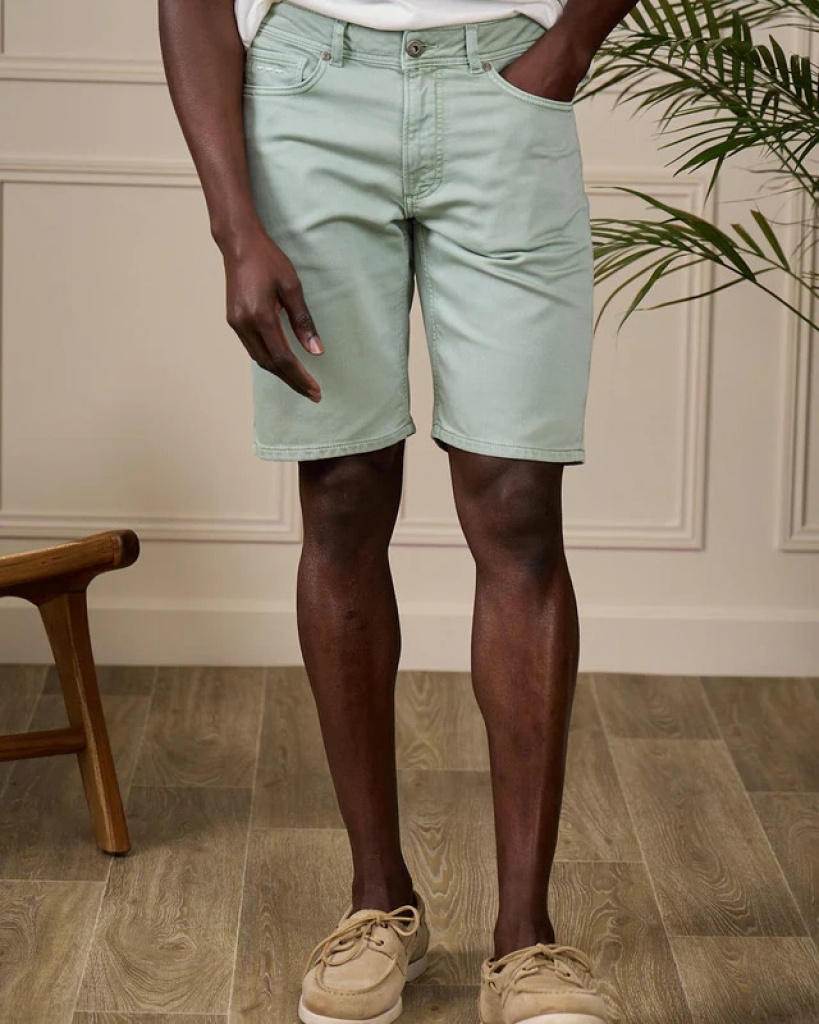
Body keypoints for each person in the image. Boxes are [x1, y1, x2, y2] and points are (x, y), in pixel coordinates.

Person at [158, 2, 640, 1022]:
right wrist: (234, 227)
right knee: (342, 491)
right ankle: (379, 902)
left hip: (504, 86)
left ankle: (526, 940)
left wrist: (568, 49)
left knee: (518, 499)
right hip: (305, 96)